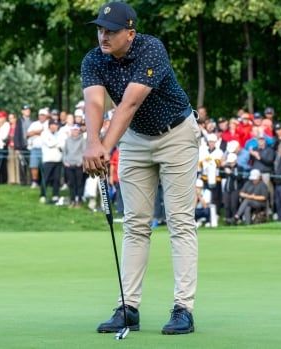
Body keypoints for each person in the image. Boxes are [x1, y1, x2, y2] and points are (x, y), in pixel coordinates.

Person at [81, 2, 199, 335]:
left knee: (179, 221)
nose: (103, 36)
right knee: (135, 223)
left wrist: (104, 147)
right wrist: (93, 142)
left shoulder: (151, 49)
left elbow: (130, 103)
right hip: (135, 139)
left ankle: (183, 309)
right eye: (100, 29)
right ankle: (128, 306)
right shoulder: (93, 59)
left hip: (176, 133)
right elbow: (94, 102)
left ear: (130, 34)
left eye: (111, 31)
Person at [40, 119, 65, 203]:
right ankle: (43, 195)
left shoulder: (60, 134)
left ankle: (55, 195)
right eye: (52, 124)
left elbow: (63, 145)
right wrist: (58, 143)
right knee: (45, 179)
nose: (54, 126)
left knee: (56, 179)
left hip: (58, 160)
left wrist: (57, 143)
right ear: (49, 125)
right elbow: (50, 144)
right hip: (48, 160)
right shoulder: (44, 133)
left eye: (56, 124)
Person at [63, 124, 86, 207]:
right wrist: (65, 161)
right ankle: (72, 200)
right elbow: (64, 152)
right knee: (71, 183)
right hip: (69, 165)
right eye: (73, 130)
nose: (75, 131)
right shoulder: (67, 140)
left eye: (76, 130)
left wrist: (80, 162)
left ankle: (79, 200)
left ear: (79, 131)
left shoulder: (82, 140)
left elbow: (84, 152)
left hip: (78, 165)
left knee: (79, 183)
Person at [27, 108, 49, 189]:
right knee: (34, 165)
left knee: (45, 166)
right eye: (40, 115)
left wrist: (35, 133)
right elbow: (28, 134)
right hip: (35, 147)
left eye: (43, 115)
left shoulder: (48, 124)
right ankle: (34, 182)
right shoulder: (34, 124)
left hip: (45, 148)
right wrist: (38, 132)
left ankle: (45, 181)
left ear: (46, 116)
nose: (41, 117)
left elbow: (46, 134)